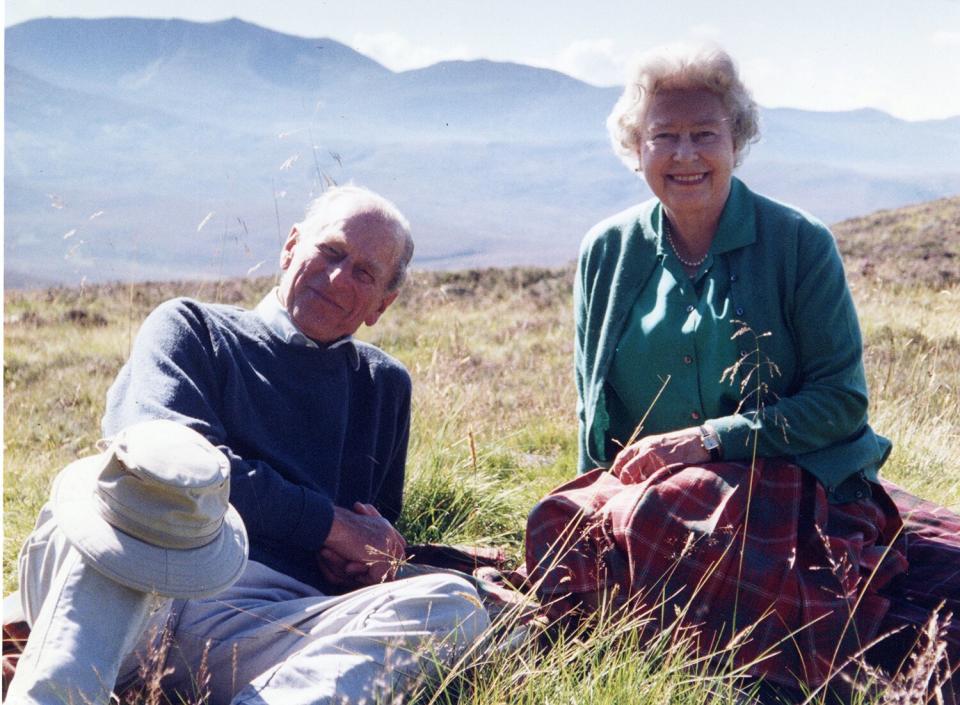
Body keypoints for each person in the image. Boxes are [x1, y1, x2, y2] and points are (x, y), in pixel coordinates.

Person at [527, 43, 959, 698]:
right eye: (662, 136)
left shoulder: (798, 243)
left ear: (738, 140)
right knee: (559, 524)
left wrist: (707, 441)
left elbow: (840, 403)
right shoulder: (605, 252)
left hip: (785, 479)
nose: (685, 155)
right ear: (634, 147)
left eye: (705, 133)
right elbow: (596, 409)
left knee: (670, 514)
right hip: (655, 494)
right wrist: (597, 494)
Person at [8, 185, 489, 705]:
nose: (336, 277)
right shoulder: (191, 327)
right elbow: (166, 468)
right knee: (104, 508)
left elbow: (365, 539)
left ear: (382, 305)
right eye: (330, 252)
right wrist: (327, 526)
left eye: (363, 273)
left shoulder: (382, 385)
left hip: (262, 627)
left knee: (452, 605)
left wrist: (365, 563)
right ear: (291, 247)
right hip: (134, 587)